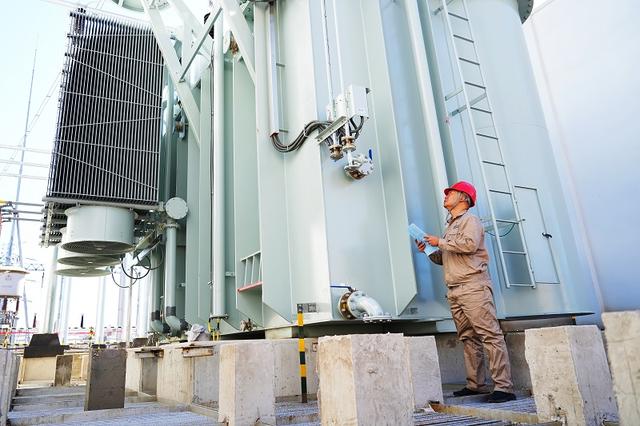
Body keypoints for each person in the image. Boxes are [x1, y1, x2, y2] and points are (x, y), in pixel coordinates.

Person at [416, 181, 516, 403]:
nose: (446, 195)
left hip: (473, 287)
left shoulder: (470, 220)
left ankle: (504, 388)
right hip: (455, 289)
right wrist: (429, 250)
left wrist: (440, 241)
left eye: (450, 192)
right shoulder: (451, 226)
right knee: (468, 337)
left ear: (463, 197)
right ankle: (476, 385)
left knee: (490, 335)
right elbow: (445, 259)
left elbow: (469, 245)